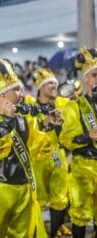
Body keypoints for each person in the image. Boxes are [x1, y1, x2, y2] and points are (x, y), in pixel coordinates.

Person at [0, 56, 54, 238]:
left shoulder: (23, 120)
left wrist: (50, 126)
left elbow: (37, 150)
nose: (22, 94)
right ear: (2, 94)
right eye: (17, 90)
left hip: (22, 189)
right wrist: (7, 122)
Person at [24, 68, 70, 237]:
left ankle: (52, 234)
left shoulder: (62, 106)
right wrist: (44, 123)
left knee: (60, 199)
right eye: (50, 83)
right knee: (39, 200)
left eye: (55, 83)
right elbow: (30, 135)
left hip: (58, 156)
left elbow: (67, 136)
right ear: (40, 87)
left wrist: (60, 125)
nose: (54, 86)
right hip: (38, 159)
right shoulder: (30, 109)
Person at [59, 47, 97, 238]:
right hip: (83, 166)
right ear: (86, 79)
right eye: (95, 75)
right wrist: (87, 135)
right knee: (80, 214)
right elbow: (66, 139)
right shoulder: (74, 106)